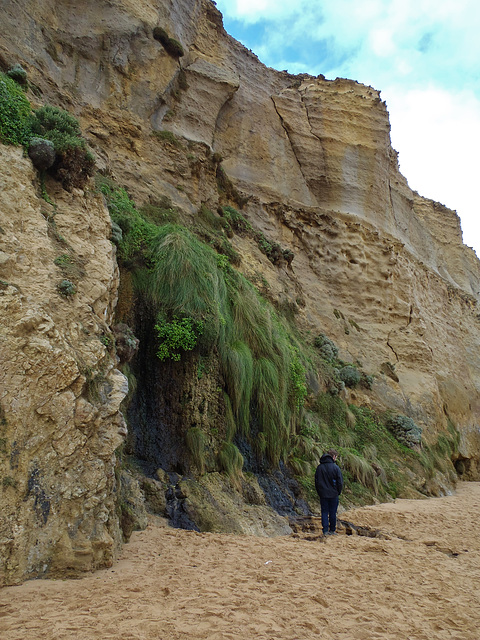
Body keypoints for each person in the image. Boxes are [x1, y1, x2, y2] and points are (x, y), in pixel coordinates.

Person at [314, 449, 343, 536]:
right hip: (334, 494)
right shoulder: (335, 468)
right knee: (332, 512)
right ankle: (332, 530)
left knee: (324, 512)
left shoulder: (319, 468)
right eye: (336, 457)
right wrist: (338, 492)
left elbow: (316, 482)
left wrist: (319, 492)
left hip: (323, 494)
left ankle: (325, 531)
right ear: (333, 457)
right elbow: (340, 482)